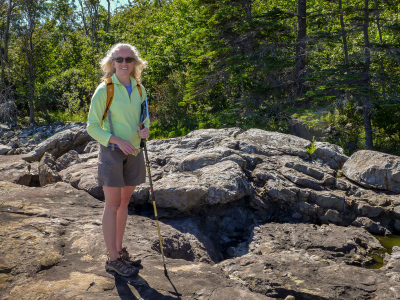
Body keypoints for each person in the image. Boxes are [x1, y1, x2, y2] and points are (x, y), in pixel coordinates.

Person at [87, 43, 150, 277]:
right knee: (112, 205)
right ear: (112, 63)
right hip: (112, 153)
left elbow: (145, 119)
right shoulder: (105, 89)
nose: (124, 63)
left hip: (134, 151)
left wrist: (145, 131)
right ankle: (112, 259)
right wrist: (115, 140)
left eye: (129, 59)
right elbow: (92, 127)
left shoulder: (140, 89)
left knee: (124, 204)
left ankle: (120, 251)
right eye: (119, 59)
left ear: (135, 63)